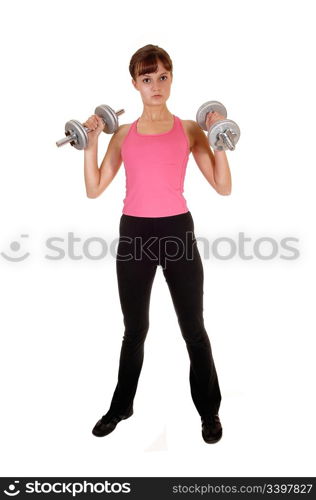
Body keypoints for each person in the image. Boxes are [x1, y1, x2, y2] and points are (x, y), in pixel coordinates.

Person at [83, 44, 232, 444]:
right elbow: (95, 188)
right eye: (147, 79)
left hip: (177, 233)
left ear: (171, 78)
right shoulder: (125, 134)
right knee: (135, 329)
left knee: (193, 329)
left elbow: (222, 186)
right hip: (134, 235)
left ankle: (209, 412)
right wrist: (93, 138)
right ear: (134, 83)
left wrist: (219, 136)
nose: (156, 85)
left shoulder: (188, 129)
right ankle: (121, 406)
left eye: (162, 77)